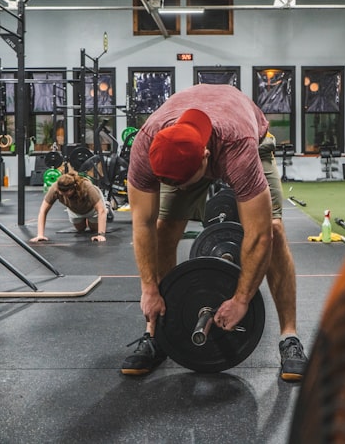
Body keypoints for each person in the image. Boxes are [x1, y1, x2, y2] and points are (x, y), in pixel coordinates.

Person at [122, 83, 308, 382]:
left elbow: (259, 234)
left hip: (250, 139)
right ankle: (156, 334)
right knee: (164, 227)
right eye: (173, 183)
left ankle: (290, 338)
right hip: (182, 150)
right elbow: (142, 224)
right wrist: (149, 289)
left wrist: (242, 300)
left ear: (207, 157)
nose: (179, 189)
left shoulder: (238, 148)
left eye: (183, 183)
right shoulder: (146, 144)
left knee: (273, 227)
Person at [30, 173, 107, 242]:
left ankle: (107, 206)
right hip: (74, 209)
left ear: (72, 189)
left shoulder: (86, 186)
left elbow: (100, 210)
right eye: (61, 193)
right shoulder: (55, 188)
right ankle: (84, 219)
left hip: (92, 208)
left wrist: (101, 235)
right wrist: (40, 235)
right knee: (80, 229)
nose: (63, 195)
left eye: (66, 194)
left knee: (93, 229)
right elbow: (43, 211)